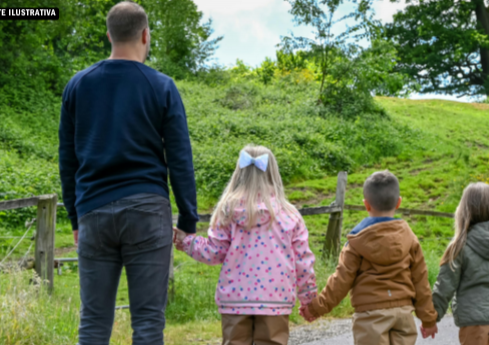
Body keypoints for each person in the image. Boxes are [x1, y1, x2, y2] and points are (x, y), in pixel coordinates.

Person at [58, 1, 199, 344]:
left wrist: (75, 218)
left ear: (109, 35)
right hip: (148, 212)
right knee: (149, 323)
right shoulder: (162, 86)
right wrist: (188, 220)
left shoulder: (78, 85)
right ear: (145, 35)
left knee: (92, 322)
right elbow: (179, 157)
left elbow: (68, 159)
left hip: (93, 210)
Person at [173, 145, 317, 345]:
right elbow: (303, 262)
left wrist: (186, 242)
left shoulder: (228, 210)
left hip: (235, 300)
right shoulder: (290, 215)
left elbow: (214, 252)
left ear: (238, 173)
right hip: (275, 300)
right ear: (273, 173)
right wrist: (309, 299)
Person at [300, 170, 438, 345]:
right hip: (403, 315)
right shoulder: (410, 239)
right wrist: (428, 319)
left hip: (370, 317)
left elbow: (340, 282)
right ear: (398, 202)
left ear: (366, 205)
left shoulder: (356, 242)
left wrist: (316, 308)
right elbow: (421, 282)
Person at [430, 182, 489, 345]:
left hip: (473, 324)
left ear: (464, 211)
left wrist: (431, 317)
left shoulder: (460, 246)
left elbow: (445, 284)